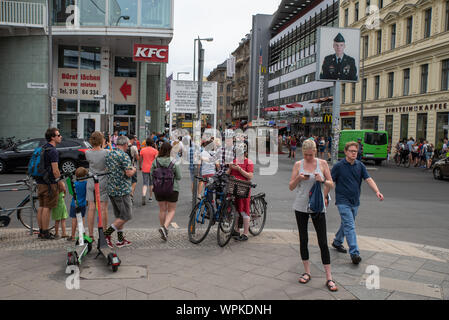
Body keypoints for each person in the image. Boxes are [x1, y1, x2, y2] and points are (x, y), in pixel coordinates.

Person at [289, 139, 337, 292]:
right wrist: (299, 178)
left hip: (318, 206)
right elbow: (291, 187)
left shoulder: (322, 163)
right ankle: (307, 271)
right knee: (304, 239)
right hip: (301, 206)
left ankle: (329, 277)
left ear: (315, 152)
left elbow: (332, 184)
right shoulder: (298, 165)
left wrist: (322, 180)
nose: (308, 157)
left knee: (323, 241)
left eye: (311, 154)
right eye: (306, 155)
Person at [331, 141, 384, 265]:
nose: (354, 153)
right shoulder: (338, 166)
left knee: (347, 223)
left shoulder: (360, 166)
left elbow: (368, 179)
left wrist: (377, 191)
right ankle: (354, 253)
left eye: (356, 151)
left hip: (355, 201)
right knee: (350, 225)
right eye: (351, 151)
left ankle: (337, 241)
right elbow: (330, 182)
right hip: (342, 201)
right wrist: (325, 196)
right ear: (345, 152)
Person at [104, 136, 137, 248]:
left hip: (111, 188)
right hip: (122, 190)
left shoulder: (110, 154)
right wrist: (134, 170)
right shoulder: (124, 156)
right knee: (126, 216)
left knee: (119, 216)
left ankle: (120, 240)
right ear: (125, 145)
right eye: (127, 145)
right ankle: (105, 235)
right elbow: (128, 173)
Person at [37, 128, 65, 240]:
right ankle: (45, 233)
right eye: (58, 135)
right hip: (49, 183)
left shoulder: (43, 148)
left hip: (40, 181)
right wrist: (60, 182)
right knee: (47, 207)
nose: (60, 137)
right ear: (52, 137)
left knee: (42, 206)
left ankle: (41, 231)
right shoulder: (53, 151)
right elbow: (55, 170)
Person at [151, 142, 182, 241]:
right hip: (172, 188)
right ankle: (164, 227)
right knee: (171, 210)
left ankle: (163, 228)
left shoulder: (156, 161)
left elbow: (151, 173)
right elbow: (179, 176)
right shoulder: (174, 161)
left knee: (162, 210)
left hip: (159, 188)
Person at [85, 131, 110, 240]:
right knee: (103, 208)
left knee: (91, 208)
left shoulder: (88, 153)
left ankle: (90, 234)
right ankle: (104, 233)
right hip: (102, 180)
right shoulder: (106, 152)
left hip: (91, 181)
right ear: (101, 140)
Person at [228, 143, 254, 242]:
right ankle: (236, 230)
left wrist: (239, 169)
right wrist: (230, 168)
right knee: (235, 209)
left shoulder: (249, 162)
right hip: (233, 188)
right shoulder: (234, 161)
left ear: (245, 153)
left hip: (243, 188)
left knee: (244, 210)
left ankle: (246, 233)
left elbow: (250, 176)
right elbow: (228, 173)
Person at [67, 167, 88, 241]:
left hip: (74, 204)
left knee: (74, 220)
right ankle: (82, 234)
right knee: (82, 219)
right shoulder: (86, 183)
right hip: (83, 204)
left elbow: (71, 192)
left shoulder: (74, 184)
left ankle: (72, 236)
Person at [140, 138, 159, 205]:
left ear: (146, 143)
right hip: (152, 169)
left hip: (144, 168)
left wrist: (140, 166)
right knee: (151, 183)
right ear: (152, 143)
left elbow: (140, 159)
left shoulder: (142, 150)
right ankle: (150, 197)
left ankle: (144, 194)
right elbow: (157, 160)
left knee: (145, 183)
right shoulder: (155, 151)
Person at [127, 135, 140, 201]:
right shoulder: (134, 147)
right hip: (132, 166)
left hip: (125, 166)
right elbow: (137, 158)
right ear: (131, 139)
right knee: (134, 180)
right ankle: (131, 193)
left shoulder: (124, 147)